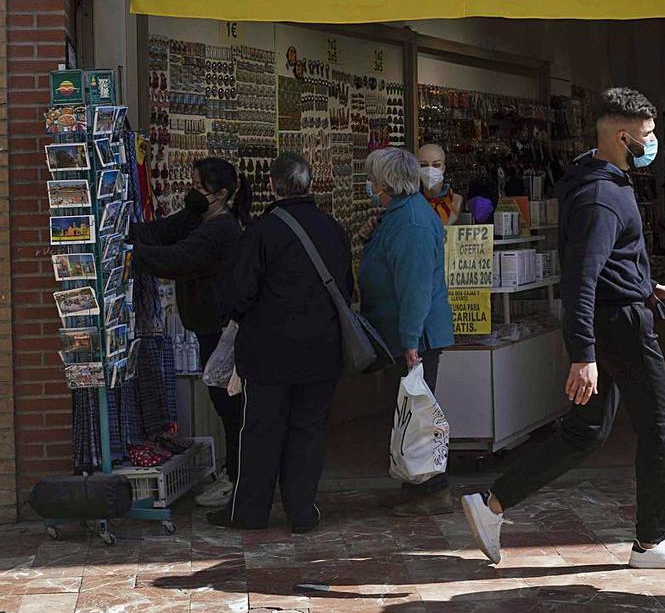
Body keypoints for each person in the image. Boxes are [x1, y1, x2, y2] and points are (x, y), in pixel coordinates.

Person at [460, 87, 665, 569]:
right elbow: (581, 277)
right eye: (647, 136)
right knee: (660, 424)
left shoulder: (593, 177)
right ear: (621, 136)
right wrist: (584, 354)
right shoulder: (601, 195)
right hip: (619, 328)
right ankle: (652, 542)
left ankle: (491, 504)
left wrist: (645, 284)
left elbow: (605, 261)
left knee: (586, 431)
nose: (653, 143)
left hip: (617, 313)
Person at [208, 152, 353, 533]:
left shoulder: (261, 231)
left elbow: (238, 293)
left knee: (260, 431)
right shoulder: (333, 228)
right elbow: (346, 288)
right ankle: (302, 512)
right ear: (309, 184)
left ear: (273, 185)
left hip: (269, 353)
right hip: (322, 349)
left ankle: (250, 512)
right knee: (309, 431)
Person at [128, 157, 250, 508]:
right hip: (206, 327)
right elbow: (161, 233)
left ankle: (237, 478)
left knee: (228, 406)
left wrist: (129, 255)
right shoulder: (199, 217)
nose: (192, 193)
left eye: (199, 188)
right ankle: (235, 475)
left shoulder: (222, 229)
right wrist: (118, 230)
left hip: (221, 329)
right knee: (226, 404)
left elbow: (177, 258)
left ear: (221, 194)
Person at [358, 147, 455, 516]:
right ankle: (415, 485)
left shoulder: (410, 220)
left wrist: (410, 342)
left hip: (415, 337)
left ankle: (432, 489)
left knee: (417, 415)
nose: (369, 184)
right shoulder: (400, 214)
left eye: (372, 178)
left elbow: (415, 287)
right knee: (408, 413)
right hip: (402, 334)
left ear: (384, 182)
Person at [417, 144, 464, 225]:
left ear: (443, 168)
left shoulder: (456, 200)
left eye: (436, 165)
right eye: (423, 165)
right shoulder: (412, 201)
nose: (430, 170)